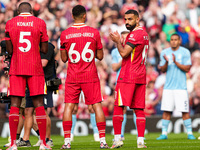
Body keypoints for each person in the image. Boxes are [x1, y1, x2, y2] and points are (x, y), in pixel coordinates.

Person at [60, 5, 109, 149]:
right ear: (84, 16)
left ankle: (67, 142)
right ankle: (102, 141)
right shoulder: (94, 32)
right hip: (90, 74)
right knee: (96, 106)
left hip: (73, 75)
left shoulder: (65, 34)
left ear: (72, 16)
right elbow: (100, 56)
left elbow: (63, 59)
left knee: (69, 106)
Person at [5, 2, 51, 150]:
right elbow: (44, 49)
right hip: (35, 67)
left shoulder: (10, 23)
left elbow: (10, 50)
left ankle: (13, 143)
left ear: (18, 11)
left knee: (14, 105)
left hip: (17, 67)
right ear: (31, 11)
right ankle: (43, 143)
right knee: (38, 105)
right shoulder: (40, 22)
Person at [109, 9, 149, 148]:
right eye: (125, 19)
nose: (127, 22)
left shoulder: (134, 35)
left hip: (128, 75)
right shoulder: (144, 34)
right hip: (140, 76)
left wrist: (117, 42)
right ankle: (140, 141)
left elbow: (125, 53)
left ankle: (117, 139)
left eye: (130, 19)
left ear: (137, 19)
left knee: (118, 107)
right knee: (139, 109)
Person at [156, 33, 196, 140]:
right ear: (170, 41)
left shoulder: (185, 52)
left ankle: (189, 133)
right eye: (172, 40)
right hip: (168, 87)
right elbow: (163, 70)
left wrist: (175, 62)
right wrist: (166, 62)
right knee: (166, 110)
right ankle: (164, 133)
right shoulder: (165, 52)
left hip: (181, 87)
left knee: (184, 111)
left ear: (179, 41)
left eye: (175, 40)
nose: (173, 41)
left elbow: (187, 68)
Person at [16, 42, 56, 148]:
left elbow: (43, 63)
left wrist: (26, 62)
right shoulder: (32, 45)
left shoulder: (48, 46)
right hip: (31, 80)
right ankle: (25, 139)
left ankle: (47, 139)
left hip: (44, 81)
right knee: (28, 110)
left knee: (44, 111)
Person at [111, 30, 138, 140]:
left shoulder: (135, 48)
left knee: (137, 107)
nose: (124, 39)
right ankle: (120, 134)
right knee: (122, 108)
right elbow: (114, 67)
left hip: (133, 79)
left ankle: (139, 135)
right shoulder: (115, 51)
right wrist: (124, 57)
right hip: (121, 81)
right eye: (122, 37)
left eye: (127, 37)